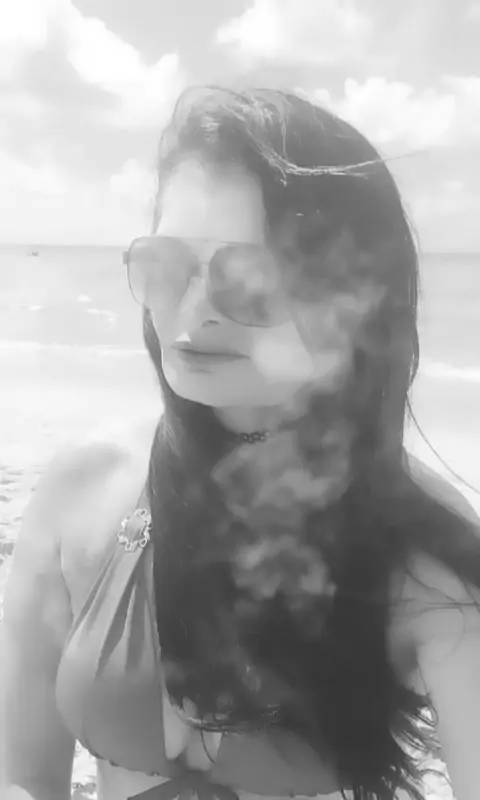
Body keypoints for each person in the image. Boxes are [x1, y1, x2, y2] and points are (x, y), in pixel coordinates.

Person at [2, 86, 480, 800]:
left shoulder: (423, 555)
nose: (194, 312)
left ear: (357, 302)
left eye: (249, 278)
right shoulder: (84, 492)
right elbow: (19, 777)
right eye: (167, 266)